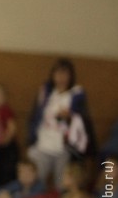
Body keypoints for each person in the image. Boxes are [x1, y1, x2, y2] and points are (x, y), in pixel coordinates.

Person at [27, 58, 95, 189]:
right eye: (58, 73)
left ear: (71, 76)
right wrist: (31, 139)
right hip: (43, 145)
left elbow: (83, 124)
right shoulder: (46, 92)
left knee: (62, 184)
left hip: (63, 148)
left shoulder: (76, 95)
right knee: (36, 182)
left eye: (65, 74)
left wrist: (70, 118)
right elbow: (35, 116)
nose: (61, 78)